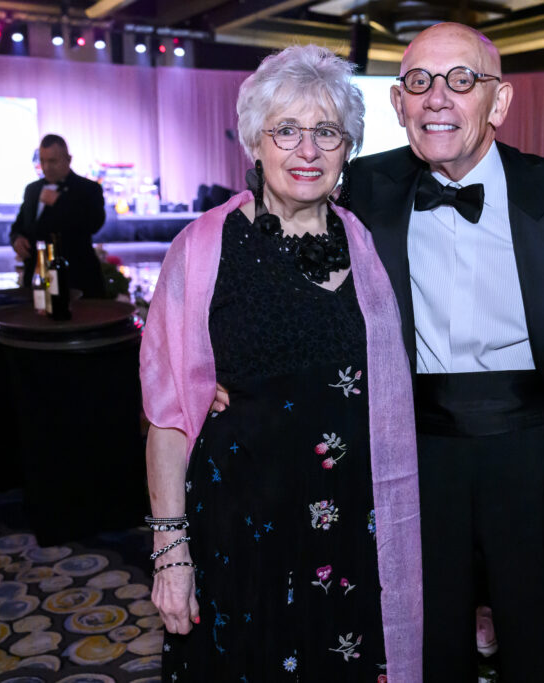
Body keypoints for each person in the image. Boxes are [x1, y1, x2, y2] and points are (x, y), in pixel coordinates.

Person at [346, 23, 544, 681]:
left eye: (461, 80)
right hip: (416, 453)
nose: (437, 99)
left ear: (500, 101)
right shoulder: (360, 191)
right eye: (419, 82)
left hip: (541, 450)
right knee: (424, 650)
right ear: (398, 103)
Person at [139, 45, 422, 682]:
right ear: (255, 142)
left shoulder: (370, 243)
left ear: (348, 147)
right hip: (240, 529)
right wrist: (170, 552)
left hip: (351, 529)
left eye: (327, 132)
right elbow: (168, 416)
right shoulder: (204, 247)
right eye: (287, 130)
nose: (308, 150)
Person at [10, 134, 106, 298]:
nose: (46, 167)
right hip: (38, 275)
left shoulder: (88, 189)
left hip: (78, 278)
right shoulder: (32, 190)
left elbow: (94, 223)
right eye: (43, 160)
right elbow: (19, 226)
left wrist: (60, 202)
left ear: (68, 159)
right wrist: (17, 239)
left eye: (52, 161)